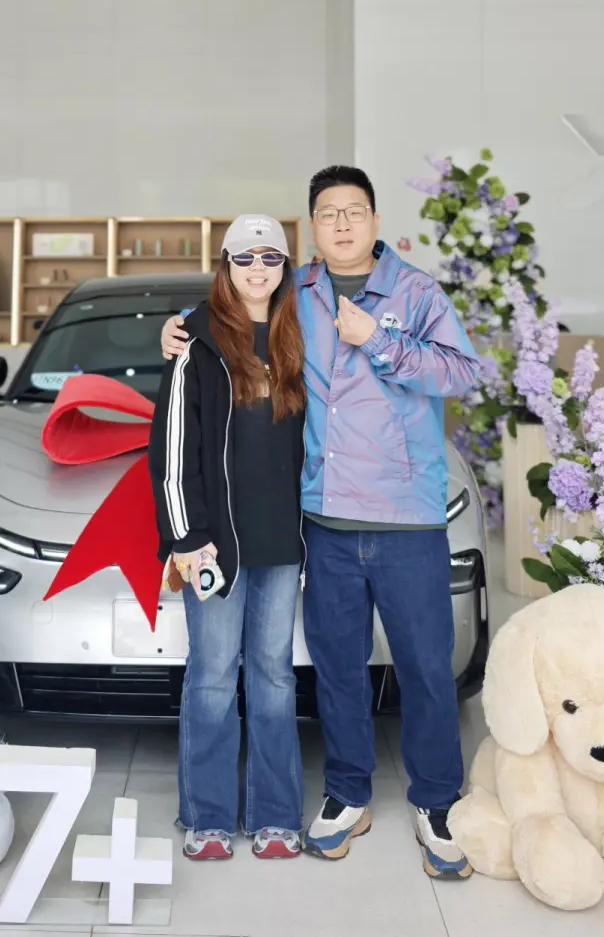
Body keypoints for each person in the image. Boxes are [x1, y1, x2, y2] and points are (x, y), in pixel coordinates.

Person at [162, 167, 480, 878]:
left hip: (404, 517)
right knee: (337, 668)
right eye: (328, 213)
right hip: (324, 518)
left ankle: (436, 800)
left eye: (354, 211)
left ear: (374, 221)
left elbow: (462, 374)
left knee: (426, 669)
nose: (341, 224)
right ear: (312, 226)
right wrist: (177, 326)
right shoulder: (296, 294)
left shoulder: (418, 293)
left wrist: (379, 340)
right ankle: (348, 792)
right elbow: (234, 306)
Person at [149, 214, 307, 863]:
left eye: (270, 256)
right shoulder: (198, 341)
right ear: (226, 264)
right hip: (215, 544)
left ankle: (276, 815)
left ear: (285, 266)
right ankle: (208, 815)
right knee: (213, 676)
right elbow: (171, 451)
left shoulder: (303, 335)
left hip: (283, 543)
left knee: (274, 677)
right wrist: (185, 537)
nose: (257, 267)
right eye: (245, 256)